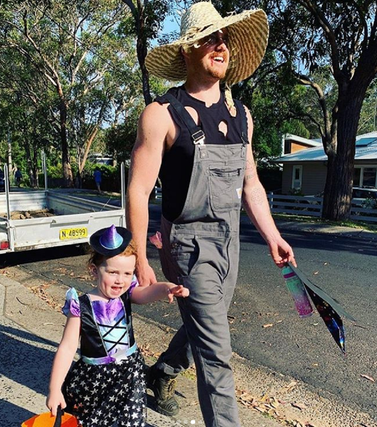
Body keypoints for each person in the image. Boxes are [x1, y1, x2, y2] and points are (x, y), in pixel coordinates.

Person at [126, 2, 296, 426]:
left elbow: (250, 184)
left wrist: (273, 235)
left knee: (208, 325)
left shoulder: (243, 118)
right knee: (218, 355)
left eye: (223, 38)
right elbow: (139, 187)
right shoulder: (162, 115)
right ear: (187, 50)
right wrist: (139, 257)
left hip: (229, 242)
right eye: (208, 38)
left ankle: (163, 372)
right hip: (186, 245)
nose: (219, 45)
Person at [46, 224, 189, 426]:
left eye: (127, 274)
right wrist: (54, 389)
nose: (120, 281)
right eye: (113, 272)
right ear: (94, 270)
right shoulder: (81, 305)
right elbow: (67, 348)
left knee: (130, 421)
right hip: (93, 382)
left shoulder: (126, 295)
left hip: (129, 375)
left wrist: (167, 288)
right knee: (92, 421)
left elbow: (147, 292)